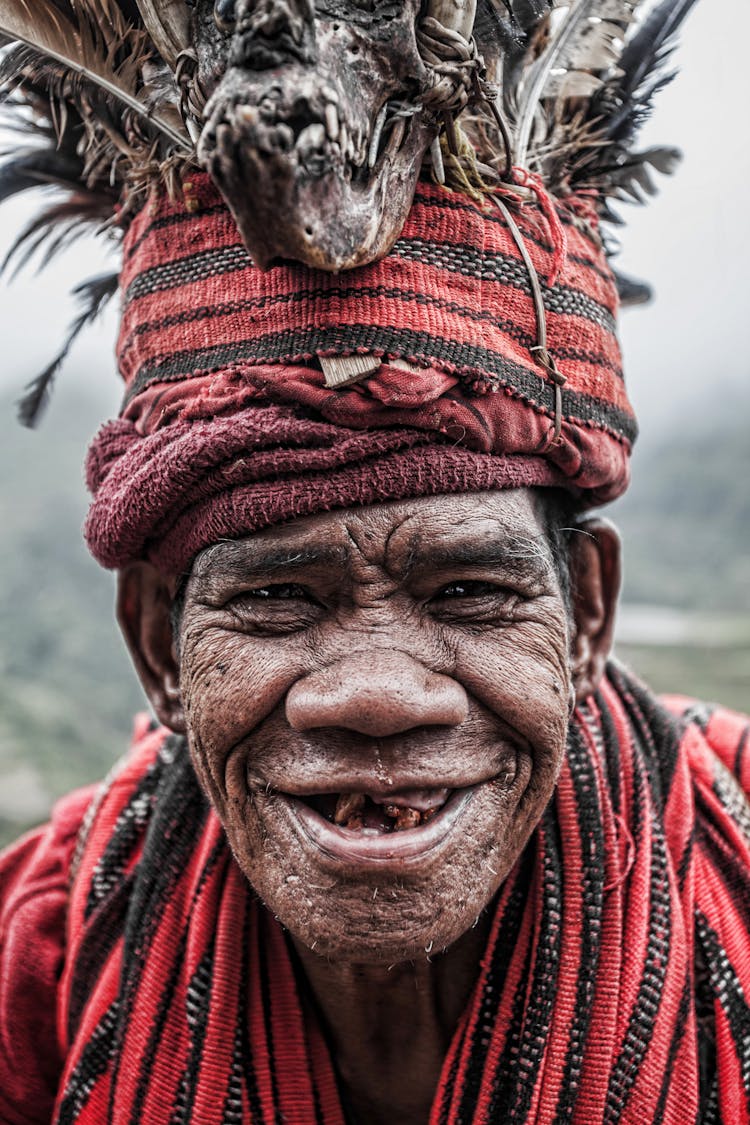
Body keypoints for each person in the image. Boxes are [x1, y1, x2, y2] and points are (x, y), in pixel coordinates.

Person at [0, 2, 749, 1123]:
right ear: (159, 644)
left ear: (587, 616)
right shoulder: (45, 955)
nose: (380, 696)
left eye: (468, 593)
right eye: (275, 599)